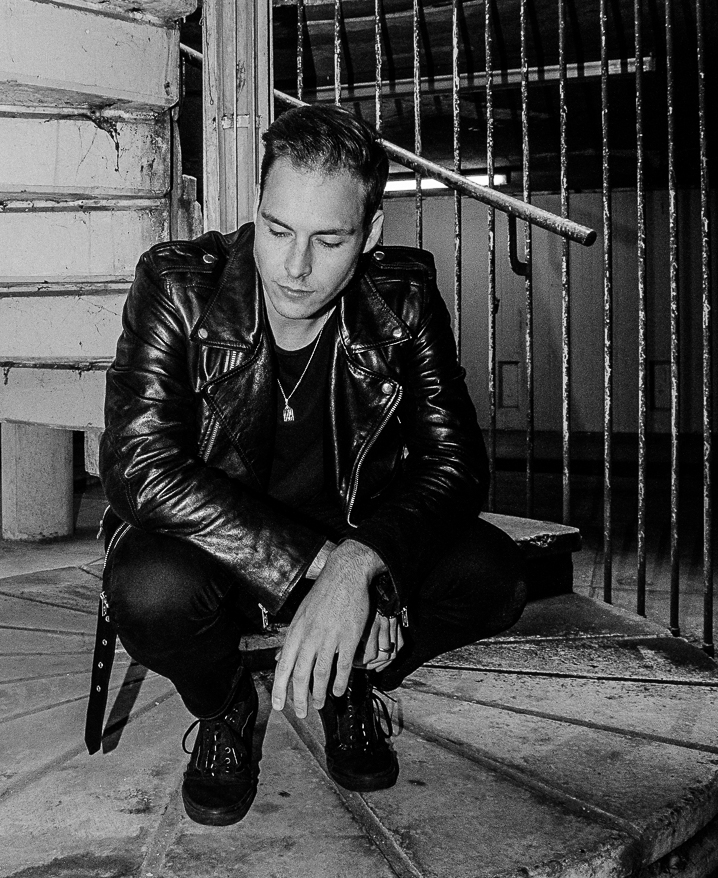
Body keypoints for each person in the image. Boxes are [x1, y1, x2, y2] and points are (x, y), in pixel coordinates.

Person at [96, 104, 526, 827]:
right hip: (220, 548)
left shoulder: (404, 300)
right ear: (257, 210)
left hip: (352, 531)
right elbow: (139, 465)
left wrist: (367, 568)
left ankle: (346, 677)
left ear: (370, 234)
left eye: (329, 240)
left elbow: (454, 466)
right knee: (149, 589)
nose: (295, 267)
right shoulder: (178, 287)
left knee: (496, 575)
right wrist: (322, 571)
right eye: (277, 230)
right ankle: (226, 705)